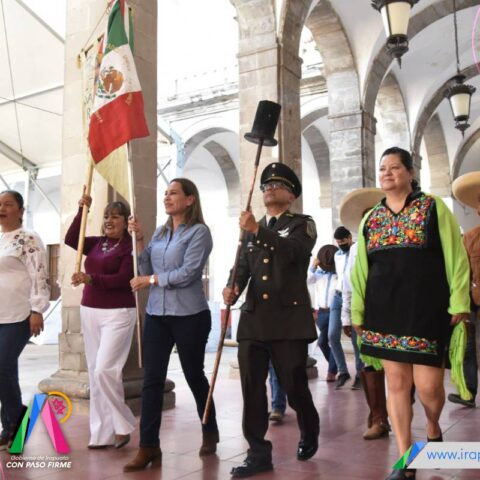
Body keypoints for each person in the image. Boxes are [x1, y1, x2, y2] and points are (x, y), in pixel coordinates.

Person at [351, 147, 471, 480]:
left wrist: (459, 301)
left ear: (410, 172)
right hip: (383, 311)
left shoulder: (433, 207)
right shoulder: (371, 218)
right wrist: (357, 310)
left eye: (395, 167)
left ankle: (433, 424)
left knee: (430, 388)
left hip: (426, 310)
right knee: (397, 384)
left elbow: (456, 257)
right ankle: (405, 461)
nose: (387, 173)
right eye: (383, 168)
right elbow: (360, 270)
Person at [223, 163, 320, 478]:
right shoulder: (253, 228)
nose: (269, 189)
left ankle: (309, 426)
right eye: (266, 185)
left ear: (291, 196)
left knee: (294, 386)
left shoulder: (302, 224)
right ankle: (258, 453)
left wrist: (257, 231)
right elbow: (242, 266)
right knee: (252, 390)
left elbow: (292, 252)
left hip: (288, 320)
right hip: (254, 320)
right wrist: (233, 287)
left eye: (277, 185)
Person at [124, 178, 218, 472]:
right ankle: (148, 445)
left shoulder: (199, 232)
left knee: (194, 375)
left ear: (190, 199)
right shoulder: (160, 232)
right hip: (157, 314)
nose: (167, 197)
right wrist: (140, 240)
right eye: (165, 193)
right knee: (151, 380)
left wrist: (150, 280)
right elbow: (144, 267)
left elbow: (188, 273)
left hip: (190, 315)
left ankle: (209, 428)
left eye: (173, 193)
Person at [64, 191, 136, 449]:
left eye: (115, 217)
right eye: (106, 216)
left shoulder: (130, 247)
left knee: (105, 370)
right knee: (95, 373)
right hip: (90, 310)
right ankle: (101, 433)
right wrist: (82, 210)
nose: (108, 221)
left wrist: (91, 279)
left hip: (118, 313)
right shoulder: (96, 243)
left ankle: (123, 425)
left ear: (126, 221)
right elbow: (71, 239)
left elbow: (124, 279)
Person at [339, 187, 390, 440]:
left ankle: (402, 407)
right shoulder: (356, 248)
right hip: (367, 315)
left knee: (402, 367)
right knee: (370, 364)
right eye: (366, 217)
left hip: (397, 313)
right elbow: (349, 286)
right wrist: (346, 317)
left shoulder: (395, 242)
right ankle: (378, 418)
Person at [0, 190, 49, 450]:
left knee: (3, 366)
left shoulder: (28, 238)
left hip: (19, 315)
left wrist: (37, 309)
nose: (2, 208)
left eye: (8, 204)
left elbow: (39, 274)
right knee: (5, 371)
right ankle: (11, 425)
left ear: (20, 210)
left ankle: (17, 424)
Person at [450, 171, 480, 408]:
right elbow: (462, 273)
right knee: (469, 348)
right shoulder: (470, 237)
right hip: (475, 302)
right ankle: (468, 392)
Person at [331, 226, 362, 389]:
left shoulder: (358, 252)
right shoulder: (337, 255)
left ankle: (360, 374)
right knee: (331, 335)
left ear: (350, 238)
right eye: (338, 242)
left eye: (343, 241)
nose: (340, 244)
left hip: (354, 295)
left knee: (356, 339)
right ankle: (342, 371)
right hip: (338, 296)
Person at [307, 244, 338, 382]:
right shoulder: (318, 275)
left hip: (334, 312)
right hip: (321, 313)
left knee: (329, 340)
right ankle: (336, 364)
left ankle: (332, 371)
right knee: (322, 343)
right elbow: (306, 280)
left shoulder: (338, 276)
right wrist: (313, 266)